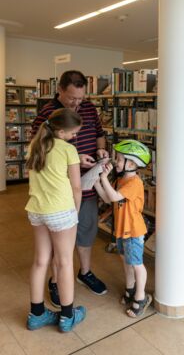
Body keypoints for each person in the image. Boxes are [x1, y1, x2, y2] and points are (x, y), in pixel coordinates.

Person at [32, 70, 108, 307]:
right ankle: (56, 281)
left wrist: (100, 151)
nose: (77, 103)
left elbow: (99, 134)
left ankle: (84, 272)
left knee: (87, 230)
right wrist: (73, 158)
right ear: (60, 90)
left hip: (86, 183)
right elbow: (41, 149)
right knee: (59, 244)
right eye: (72, 98)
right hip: (60, 192)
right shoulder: (46, 114)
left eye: (80, 98)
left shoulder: (89, 108)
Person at [25, 108, 86, 332]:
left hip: (37, 210)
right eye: (73, 133)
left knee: (41, 261)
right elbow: (77, 187)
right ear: (61, 132)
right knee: (64, 262)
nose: (75, 137)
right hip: (61, 211)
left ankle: (37, 314)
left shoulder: (35, 145)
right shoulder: (68, 150)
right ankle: (67, 316)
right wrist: (75, 213)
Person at [94, 139, 152, 317]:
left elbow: (113, 198)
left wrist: (103, 178)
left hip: (133, 231)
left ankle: (141, 297)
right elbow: (106, 197)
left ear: (132, 163)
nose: (115, 161)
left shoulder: (134, 183)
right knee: (127, 262)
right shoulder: (121, 180)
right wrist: (96, 181)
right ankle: (130, 289)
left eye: (119, 159)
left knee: (136, 264)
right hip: (122, 229)